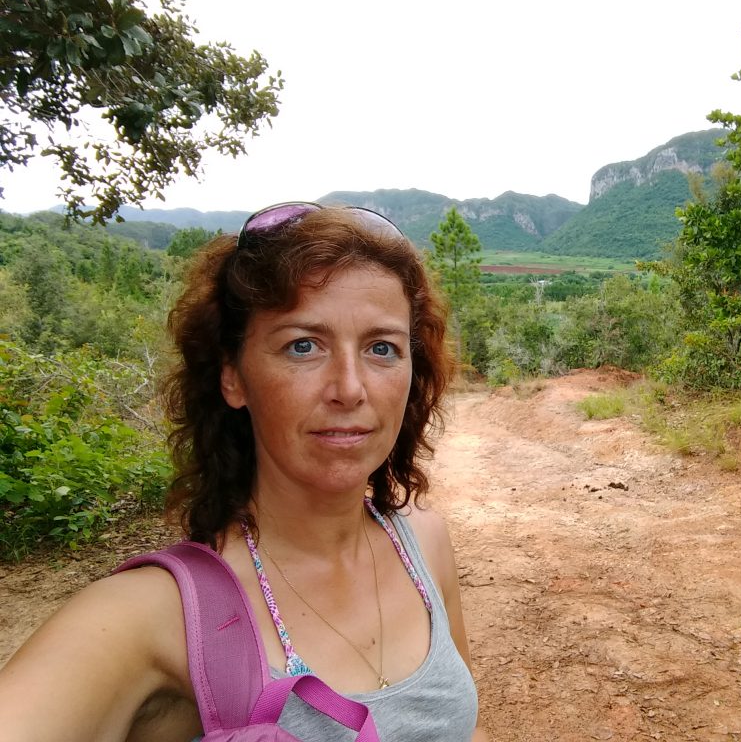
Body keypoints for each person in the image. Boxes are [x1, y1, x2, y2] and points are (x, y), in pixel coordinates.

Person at [0, 202, 488, 741]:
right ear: (233, 377)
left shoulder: (424, 543)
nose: (350, 388)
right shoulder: (150, 618)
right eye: (303, 346)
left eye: (381, 348)